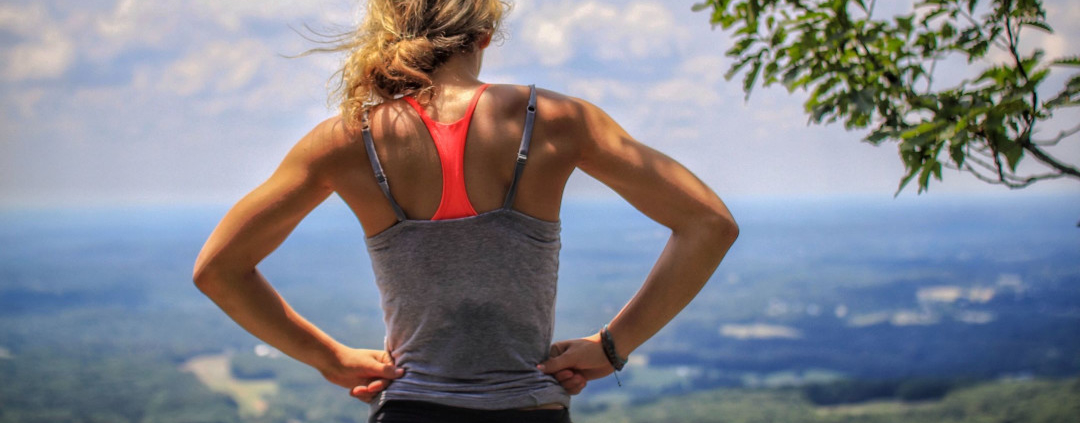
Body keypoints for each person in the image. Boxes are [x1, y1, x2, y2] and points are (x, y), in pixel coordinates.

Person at [192, 0, 738, 422]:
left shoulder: (345, 140)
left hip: (410, 409)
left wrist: (330, 359)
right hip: (531, 412)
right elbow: (709, 223)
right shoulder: (553, 120)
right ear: (483, 35)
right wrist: (613, 347)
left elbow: (219, 269)